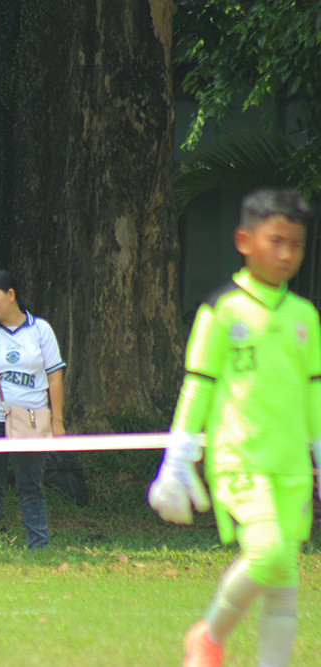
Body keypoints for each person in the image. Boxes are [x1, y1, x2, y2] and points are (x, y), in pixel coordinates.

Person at [149, 189, 320, 667]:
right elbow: (198, 386)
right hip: (240, 460)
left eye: (297, 245)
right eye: (276, 241)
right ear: (245, 239)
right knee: (264, 555)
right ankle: (209, 636)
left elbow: (314, 393)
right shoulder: (221, 309)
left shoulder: (305, 317)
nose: (287, 254)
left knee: (285, 577)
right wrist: (178, 458)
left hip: (292, 470)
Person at [0, 270, 65, 551]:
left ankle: (38, 545)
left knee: (31, 484)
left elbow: (55, 377)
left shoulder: (41, 330)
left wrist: (57, 420)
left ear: (11, 295)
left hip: (30, 418)